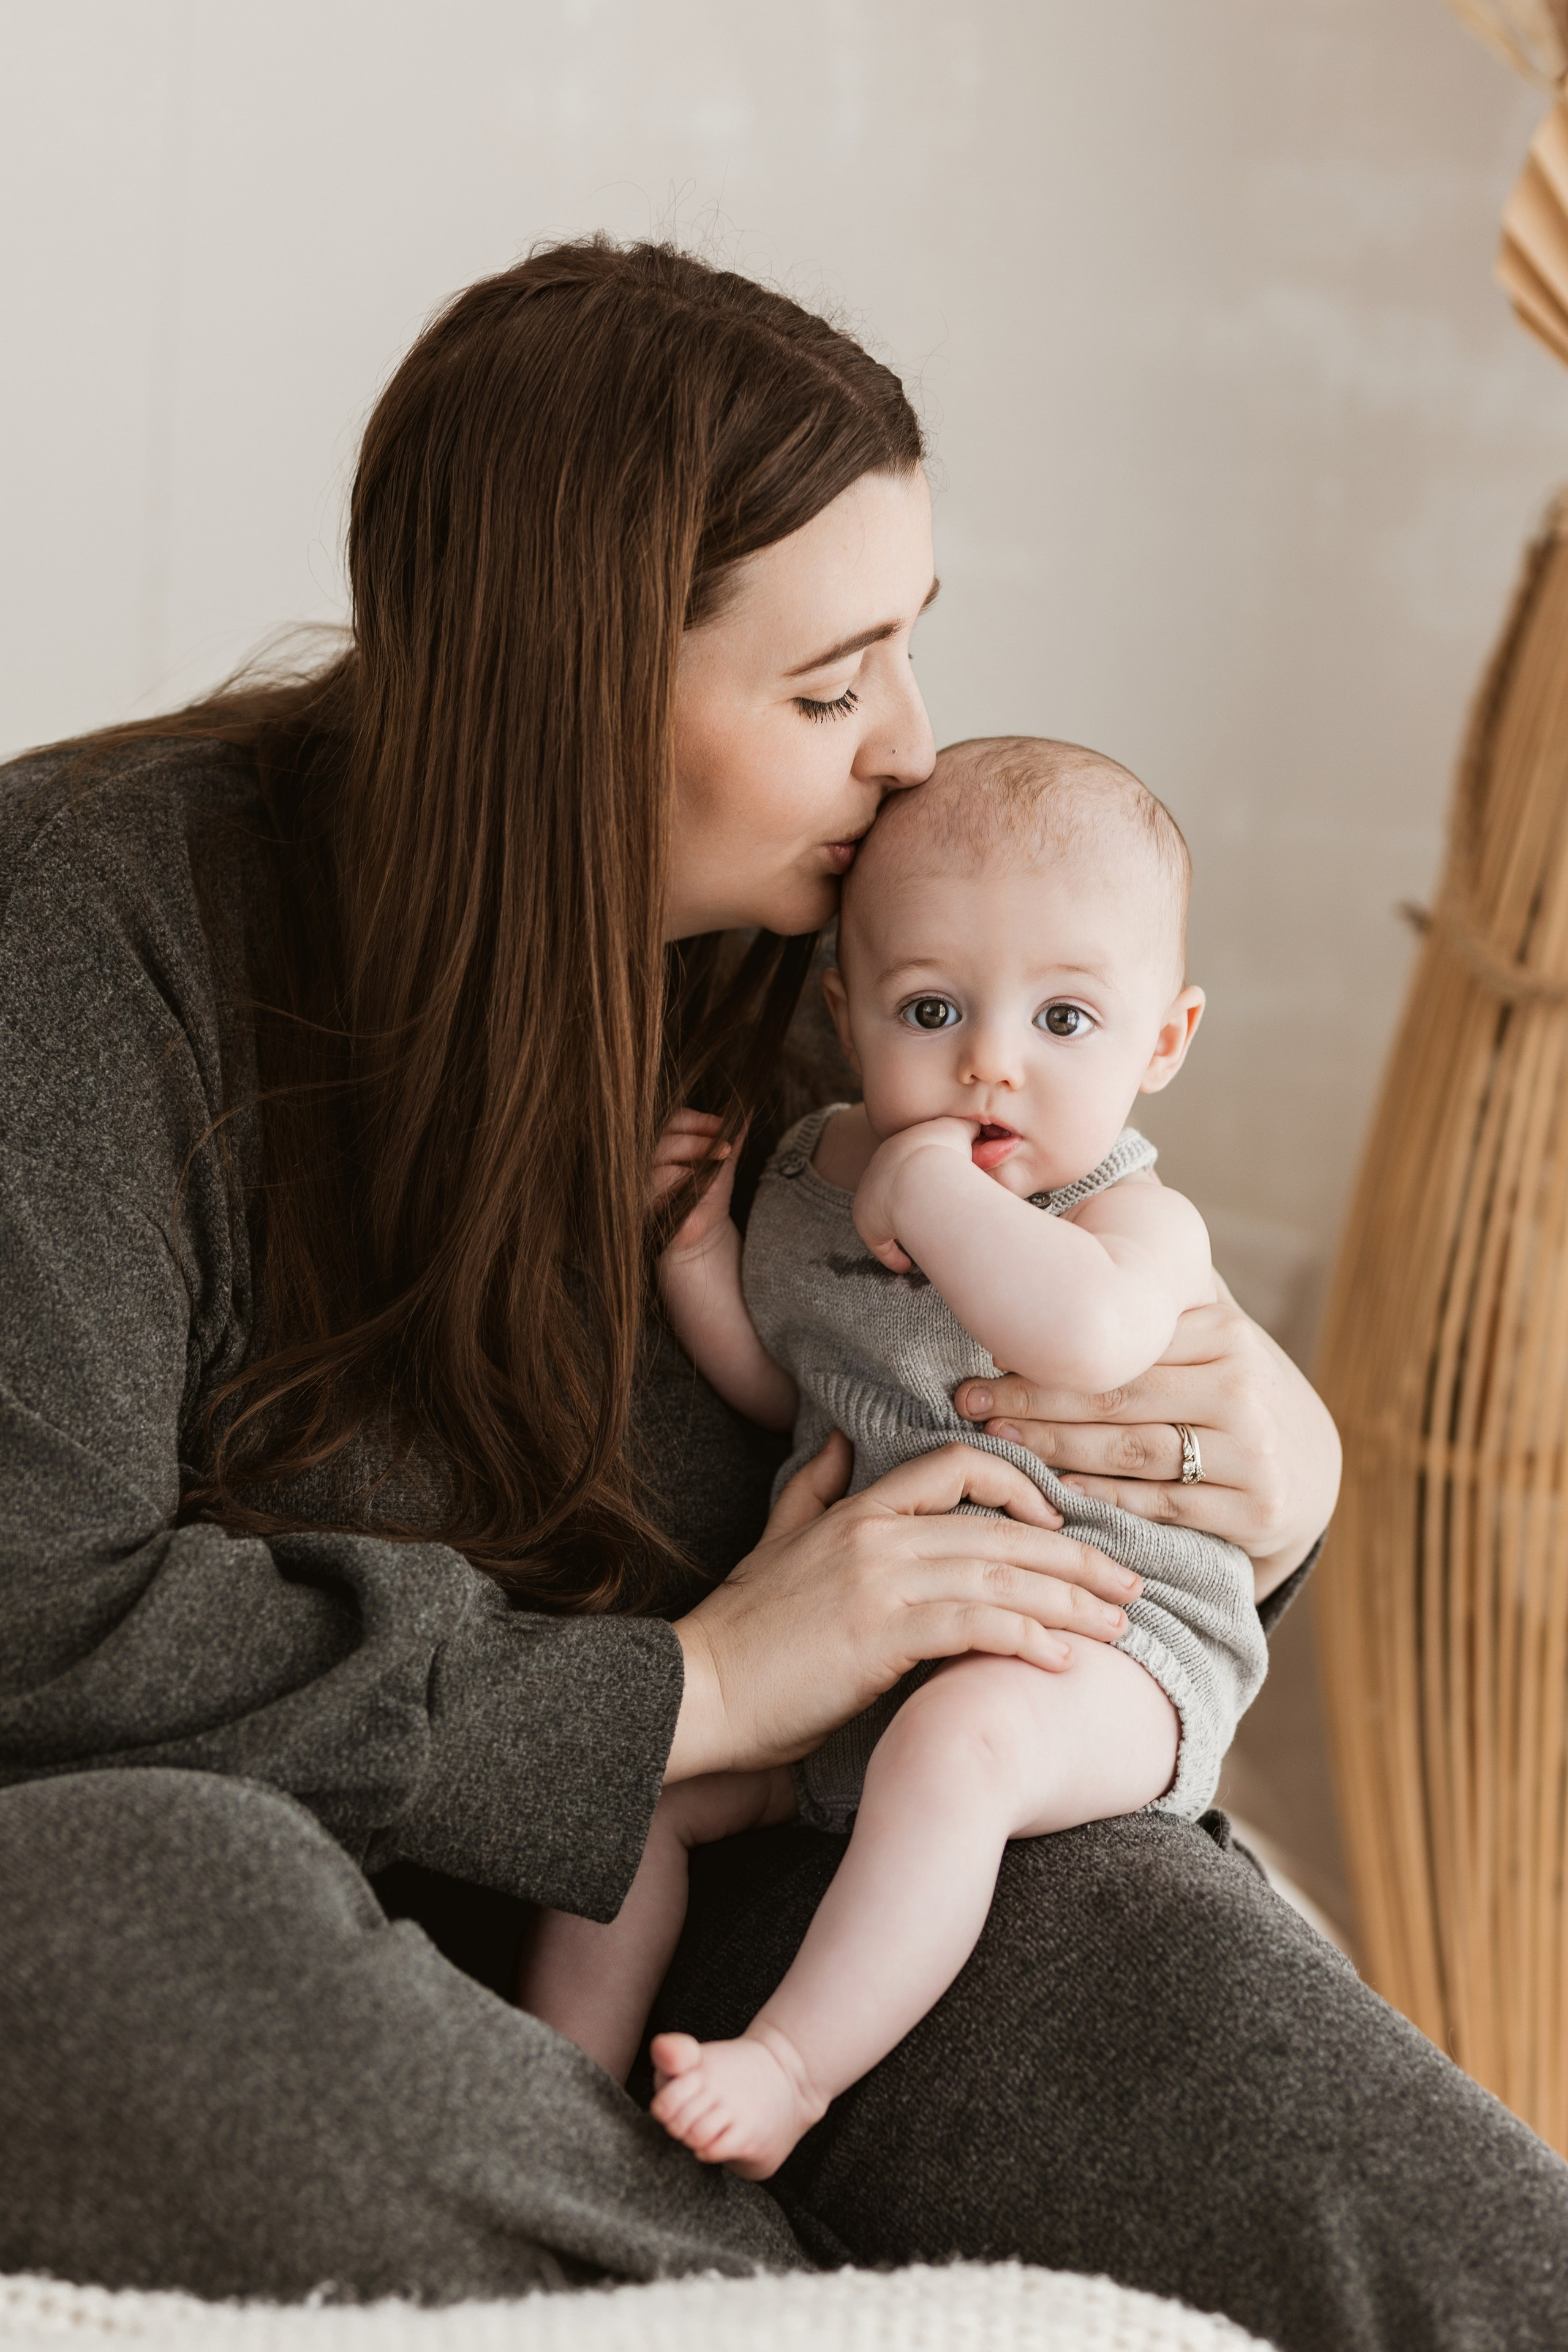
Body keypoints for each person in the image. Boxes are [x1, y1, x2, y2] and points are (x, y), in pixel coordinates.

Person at [1, 238, 1564, 2352]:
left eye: (912, 649)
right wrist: (693, 1693)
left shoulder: (855, 963)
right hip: (291, 1894)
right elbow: (39, 1613)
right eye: (831, 691)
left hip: (780, 1887)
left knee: (1298, 2102)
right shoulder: (78, 936)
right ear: (566, 700)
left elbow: (1031, 1403)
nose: (908, 749)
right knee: (114, 1930)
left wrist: (1266, 1477)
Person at [521, 737, 1269, 2181]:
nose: (990, 1062)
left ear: (1160, 1043)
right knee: (632, 1794)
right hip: (865, 1652)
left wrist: (929, 1189)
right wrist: (696, 1257)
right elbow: (789, 1383)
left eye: (1063, 1017)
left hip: (1103, 1645)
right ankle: (545, 2091)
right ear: (845, 1011)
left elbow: (1084, 1335)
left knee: (957, 1748)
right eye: (931, 1009)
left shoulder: (1128, 1221)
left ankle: (791, 2067)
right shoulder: (815, 1173)